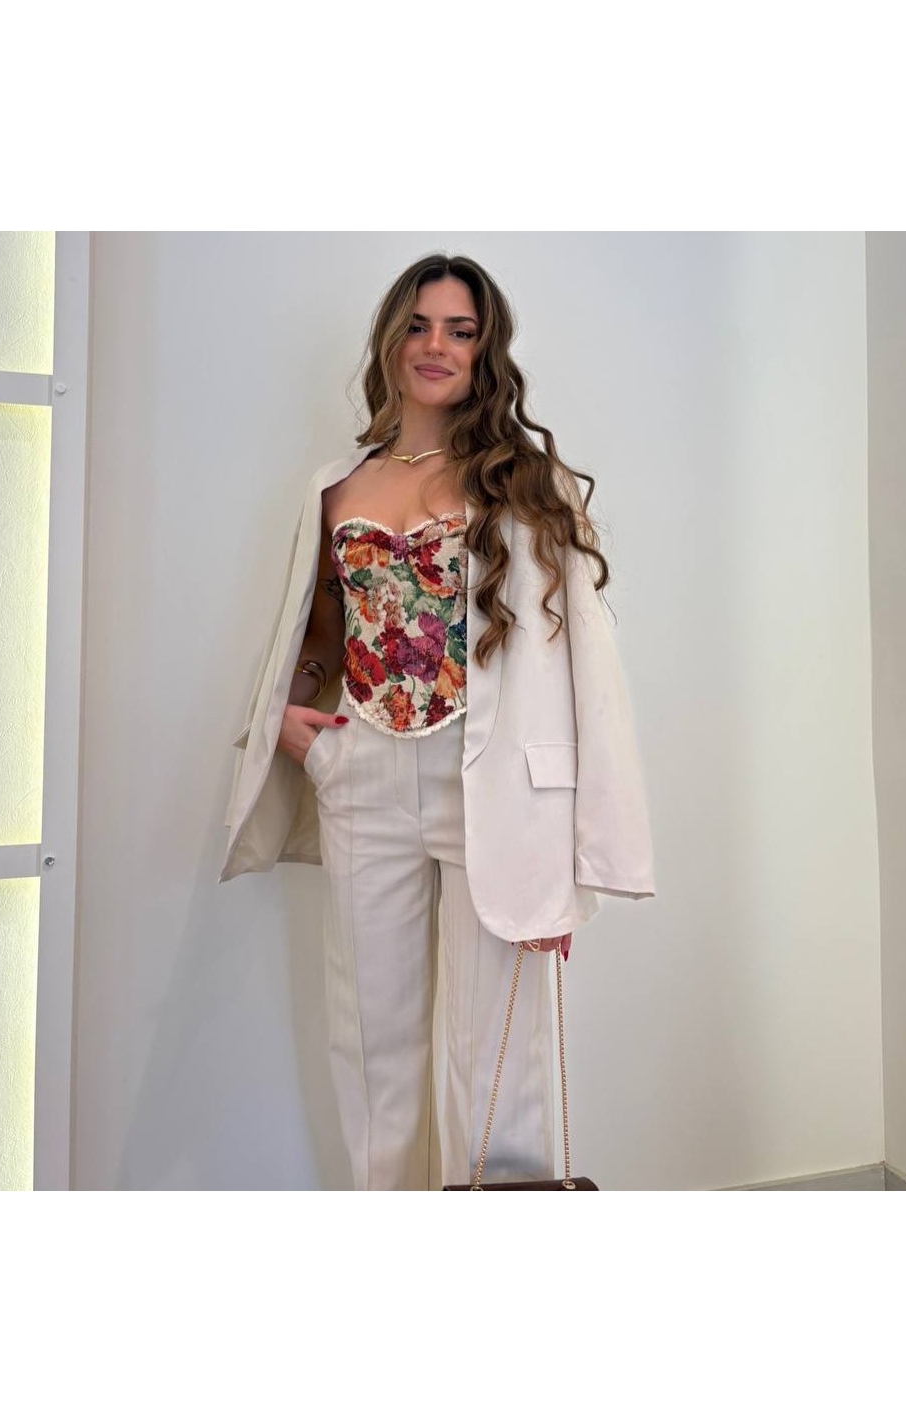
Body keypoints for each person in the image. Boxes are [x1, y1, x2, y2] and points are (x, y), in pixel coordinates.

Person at [220, 253, 655, 1190]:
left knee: (496, 1060)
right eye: (419, 326)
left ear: (485, 350)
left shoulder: (526, 483)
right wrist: (292, 722)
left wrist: (581, 860)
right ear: (390, 340)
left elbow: (590, 668)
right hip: (360, 776)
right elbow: (318, 629)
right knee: (369, 1045)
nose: (437, 346)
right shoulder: (338, 485)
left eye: (461, 331)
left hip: (492, 784)